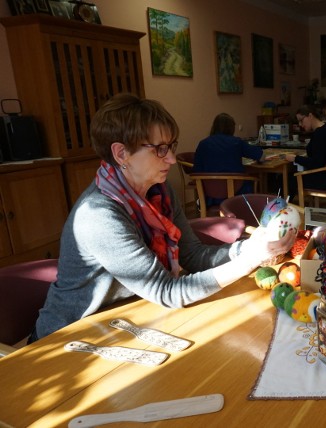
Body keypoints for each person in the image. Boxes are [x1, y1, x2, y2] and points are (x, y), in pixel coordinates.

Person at [29, 93, 295, 342]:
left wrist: (248, 247)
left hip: (123, 320)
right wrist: (249, 261)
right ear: (121, 154)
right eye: (159, 149)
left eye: (171, 146)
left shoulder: (160, 192)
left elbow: (193, 255)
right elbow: (168, 291)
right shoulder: (99, 215)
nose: (170, 158)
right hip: (71, 337)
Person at [193, 113, 265, 207]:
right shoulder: (236, 142)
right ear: (231, 128)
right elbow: (261, 156)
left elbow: (196, 170)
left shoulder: (203, 144)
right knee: (251, 180)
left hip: (211, 195)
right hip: (236, 193)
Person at [284, 105, 326, 199]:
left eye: (301, 120)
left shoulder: (320, 134)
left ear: (310, 116)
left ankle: (281, 207)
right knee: (291, 176)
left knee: (287, 179)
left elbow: (316, 163)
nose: (300, 124)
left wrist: (295, 158)